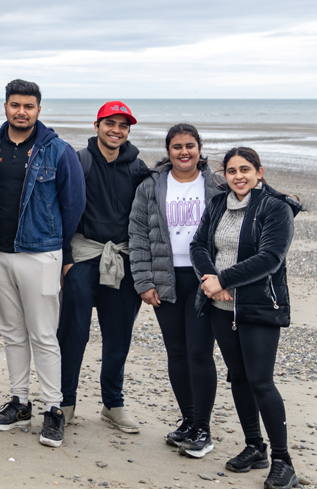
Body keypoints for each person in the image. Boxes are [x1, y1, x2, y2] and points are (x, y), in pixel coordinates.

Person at [0, 79, 86, 448]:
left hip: (40, 253)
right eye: (14, 105)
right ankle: (19, 401)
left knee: (43, 334)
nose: (20, 111)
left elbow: (73, 205)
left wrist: (57, 248)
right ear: (5, 107)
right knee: (11, 331)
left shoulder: (58, 150)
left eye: (28, 105)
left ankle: (54, 409)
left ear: (39, 109)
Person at [190, 147, 302, 489]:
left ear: (259, 172)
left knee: (260, 381)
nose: (238, 176)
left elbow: (271, 258)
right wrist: (211, 282)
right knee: (238, 377)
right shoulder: (217, 205)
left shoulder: (275, 208)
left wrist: (225, 280)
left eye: (245, 170)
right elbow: (198, 246)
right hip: (220, 308)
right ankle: (255, 447)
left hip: (257, 307)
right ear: (224, 175)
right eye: (231, 171)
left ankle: (283, 460)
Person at [129, 123, 225, 457]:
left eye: (190, 146)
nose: (184, 152)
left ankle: (203, 429)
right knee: (177, 353)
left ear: (200, 148)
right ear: (168, 151)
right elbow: (138, 235)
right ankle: (188, 420)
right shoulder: (152, 186)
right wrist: (143, 281)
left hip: (205, 281)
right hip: (165, 279)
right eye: (177, 147)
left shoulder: (216, 185)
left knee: (199, 352)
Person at [57, 101, 150, 432]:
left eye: (123, 125)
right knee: (72, 333)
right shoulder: (78, 162)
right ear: (96, 126)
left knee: (118, 336)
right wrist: (65, 261)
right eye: (110, 123)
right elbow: (59, 210)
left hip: (122, 262)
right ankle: (65, 402)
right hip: (83, 257)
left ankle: (113, 404)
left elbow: (179, 187)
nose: (116, 130)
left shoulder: (139, 170)